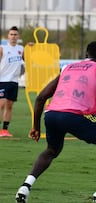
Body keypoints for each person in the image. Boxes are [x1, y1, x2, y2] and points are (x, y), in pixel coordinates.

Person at [15, 41, 96, 202]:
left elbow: (40, 98)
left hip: (52, 114)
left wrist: (35, 127)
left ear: (86, 55)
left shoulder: (67, 68)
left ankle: (25, 187)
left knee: (51, 151)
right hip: (74, 115)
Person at [0, 26, 24, 137]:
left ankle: (5, 129)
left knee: (9, 106)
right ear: (8, 36)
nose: (13, 37)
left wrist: (31, 47)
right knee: (1, 103)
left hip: (14, 82)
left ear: (18, 36)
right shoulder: (2, 48)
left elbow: (28, 58)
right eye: (11, 34)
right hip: (3, 81)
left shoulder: (21, 49)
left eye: (15, 34)